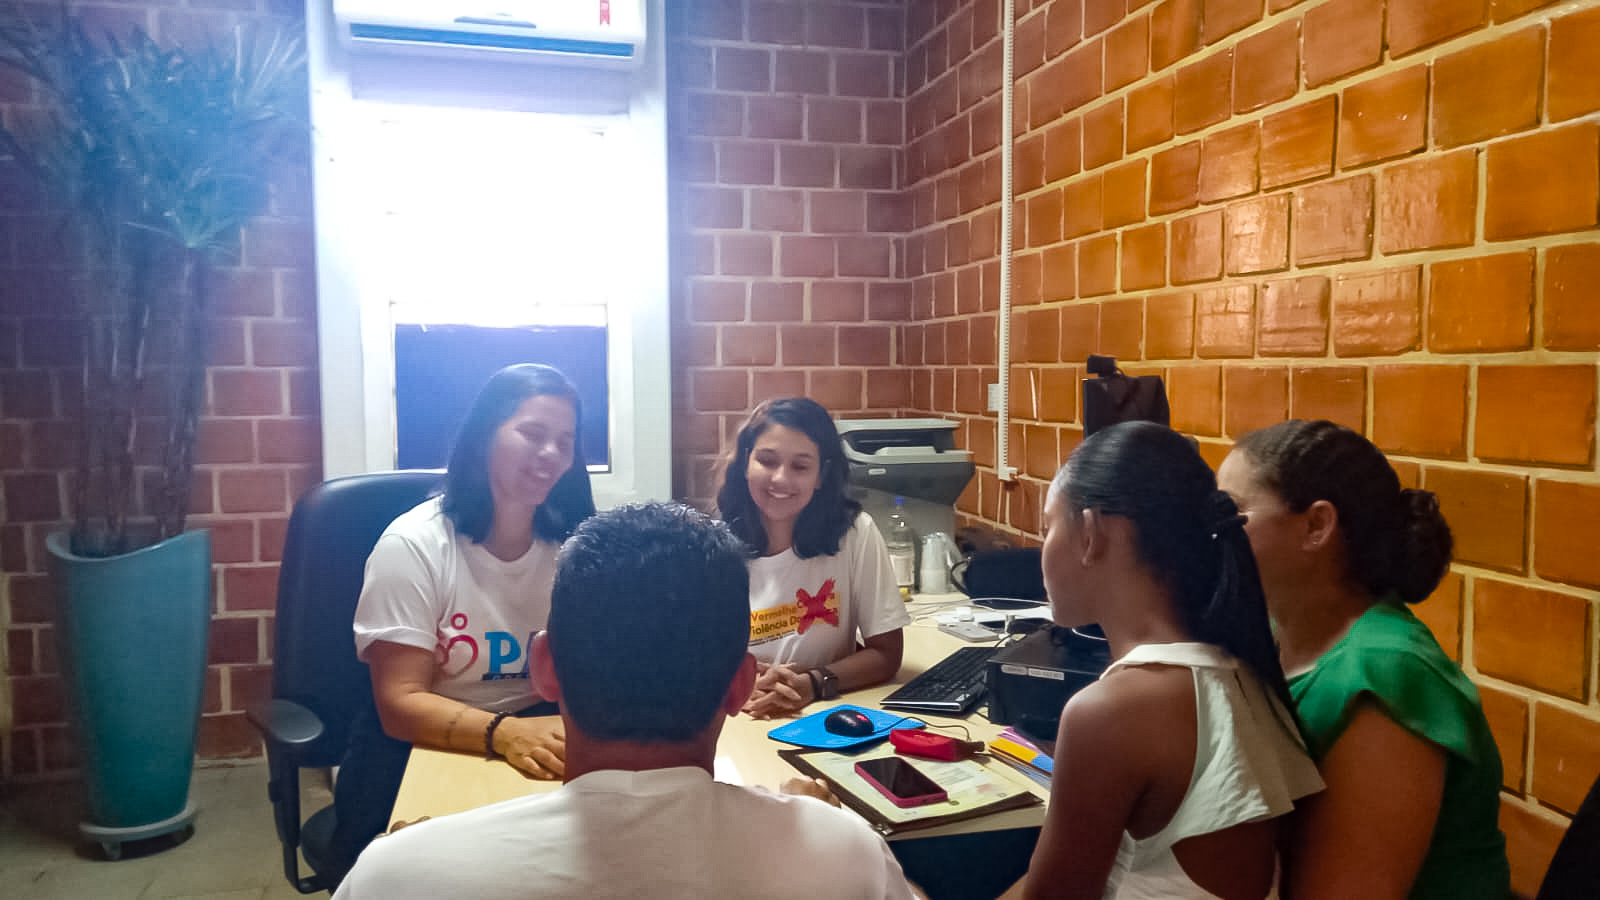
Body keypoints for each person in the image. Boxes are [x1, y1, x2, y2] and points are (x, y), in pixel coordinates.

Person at [331, 502, 920, 900]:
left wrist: (411, 857)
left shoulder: (399, 879)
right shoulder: (849, 862)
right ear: (741, 687)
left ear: (545, 670)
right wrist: (809, 826)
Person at [1009, 421, 1323, 899]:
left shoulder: (1112, 713)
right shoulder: (1243, 671)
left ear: (1091, 533)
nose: (1043, 549)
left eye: (1048, 526)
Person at [1218, 419, 1509, 899]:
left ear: (1316, 526)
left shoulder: (1388, 677)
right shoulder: (1275, 632)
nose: (1214, 534)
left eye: (1232, 513)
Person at [328, 363, 597, 879]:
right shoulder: (414, 545)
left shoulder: (573, 545)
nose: (551, 455)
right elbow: (399, 703)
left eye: (564, 442)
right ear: (483, 437)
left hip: (537, 736)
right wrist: (506, 734)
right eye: (532, 433)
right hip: (417, 748)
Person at [715, 397, 908, 718]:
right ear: (746, 462)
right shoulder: (713, 545)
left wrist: (813, 683)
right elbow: (687, 661)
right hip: (739, 720)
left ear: (821, 475)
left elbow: (887, 654)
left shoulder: (855, 534)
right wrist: (736, 682)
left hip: (819, 714)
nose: (780, 479)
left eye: (800, 466)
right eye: (767, 460)